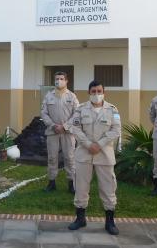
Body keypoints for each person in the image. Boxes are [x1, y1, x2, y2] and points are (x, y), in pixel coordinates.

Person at [67, 80, 122, 235]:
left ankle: (110, 221)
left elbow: (116, 130)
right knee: (81, 187)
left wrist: (99, 144)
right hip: (84, 154)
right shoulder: (80, 109)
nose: (96, 94)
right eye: (93, 92)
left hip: (104, 154)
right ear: (89, 93)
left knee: (108, 187)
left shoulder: (112, 110)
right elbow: (75, 127)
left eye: (99, 91)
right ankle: (80, 218)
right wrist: (87, 144)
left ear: (104, 92)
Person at [40, 71, 79, 193]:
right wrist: (53, 125)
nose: (59, 81)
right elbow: (43, 113)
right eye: (57, 79)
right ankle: (51, 183)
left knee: (70, 158)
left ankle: (71, 184)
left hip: (68, 132)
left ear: (66, 81)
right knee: (52, 158)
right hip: (52, 132)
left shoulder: (72, 96)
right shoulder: (48, 96)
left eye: (61, 78)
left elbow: (77, 114)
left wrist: (65, 126)